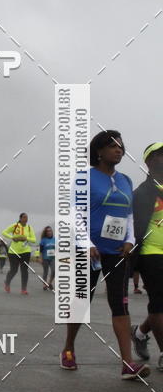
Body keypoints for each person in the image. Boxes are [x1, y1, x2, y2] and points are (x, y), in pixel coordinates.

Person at [59, 130, 148, 379]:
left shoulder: (126, 181)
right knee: (81, 302)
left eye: (121, 146)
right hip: (89, 252)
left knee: (119, 304)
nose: (119, 150)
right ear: (99, 151)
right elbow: (74, 213)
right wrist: (85, 243)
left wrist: (130, 240)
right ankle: (68, 348)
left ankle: (127, 364)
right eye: (113, 146)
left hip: (117, 252)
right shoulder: (83, 178)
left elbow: (129, 215)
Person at [130, 143, 163, 370]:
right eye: (162, 155)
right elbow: (135, 228)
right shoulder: (143, 193)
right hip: (152, 255)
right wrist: (133, 261)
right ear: (150, 162)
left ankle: (140, 333)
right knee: (159, 306)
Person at [2, 213, 36, 294]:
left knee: (24, 270)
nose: (26, 219)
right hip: (13, 252)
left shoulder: (29, 228)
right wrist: (13, 237)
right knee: (14, 270)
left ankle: (23, 289)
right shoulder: (15, 226)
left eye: (27, 217)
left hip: (26, 252)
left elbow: (34, 240)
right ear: (20, 218)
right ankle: (7, 282)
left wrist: (26, 238)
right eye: (24, 217)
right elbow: (4, 232)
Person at [39, 226, 56, 291]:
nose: (49, 232)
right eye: (48, 231)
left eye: (50, 231)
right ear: (46, 233)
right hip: (45, 258)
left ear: (52, 232)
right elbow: (40, 250)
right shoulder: (43, 240)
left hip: (53, 258)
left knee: (54, 271)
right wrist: (40, 258)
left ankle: (49, 283)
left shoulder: (55, 239)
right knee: (45, 272)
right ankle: (44, 284)